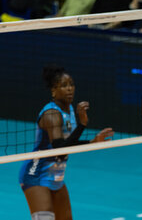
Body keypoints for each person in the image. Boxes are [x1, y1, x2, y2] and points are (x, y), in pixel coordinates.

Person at [19, 66, 114, 220]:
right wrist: (82, 125)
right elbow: (59, 150)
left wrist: (92, 142)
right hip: (35, 174)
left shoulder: (69, 109)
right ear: (53, 91)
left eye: (71, 84)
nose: (69, 89)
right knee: (45, 218)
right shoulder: (51, 114)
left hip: (56, 175)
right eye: (64, 85)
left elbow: (68, 143)